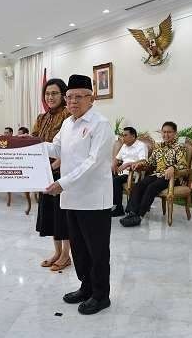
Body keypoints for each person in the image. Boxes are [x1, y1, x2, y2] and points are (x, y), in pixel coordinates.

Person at [44, 74, 113, 315]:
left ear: (91, 98)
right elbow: (55, 148)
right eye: (69, 97)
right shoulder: (67, 123)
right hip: (72, 198)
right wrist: (29, 145)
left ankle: (101, 295)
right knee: (79, 250)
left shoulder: (100, 124)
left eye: (79, 97)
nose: (73, 101)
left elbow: (93, 162)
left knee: (97, 250)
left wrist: (63, 182)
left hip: (94, 200)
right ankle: (86, 288)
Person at [31, 78, 72, 271]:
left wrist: (58, 164)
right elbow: (34, 141)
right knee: (50, 214)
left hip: (61, 172)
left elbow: (70, 147)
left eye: (54, 93)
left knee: (62, 213)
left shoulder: (68, 116)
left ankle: (66, 255)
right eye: (47, 94)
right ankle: (56, 252)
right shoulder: (42, 118)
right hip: (43, 172)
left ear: (63, 95)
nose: (50, 97)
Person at [120, 121, 187, 227]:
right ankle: (132, 213)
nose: (166, 135)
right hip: (157, 175)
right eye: (164, 132)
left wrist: (173, 167)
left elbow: (183, 165)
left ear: (175, 133)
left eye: (169, 132)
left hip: (172, 178)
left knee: (152, 187)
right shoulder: (158, 146)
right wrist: (138, 164)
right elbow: (150, 162)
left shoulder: (179, 148)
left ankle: (139, 216)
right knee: (140, 185)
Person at [111, 127, 148, 217]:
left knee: (116, 181)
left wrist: (127, 164)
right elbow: (117, 159)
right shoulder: (124, 146)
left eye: (125, 135)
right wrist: (113, 166)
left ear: (133, 136)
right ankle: (107, 205)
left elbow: (143, 161)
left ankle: (119, 208)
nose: (123, 137)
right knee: (106, 177)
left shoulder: (141, 146)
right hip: (122, 172)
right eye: (122, 135)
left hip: (133, 172)